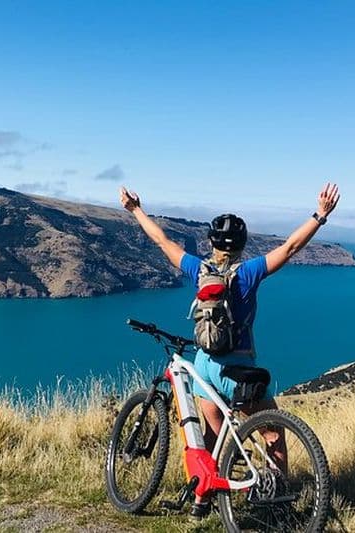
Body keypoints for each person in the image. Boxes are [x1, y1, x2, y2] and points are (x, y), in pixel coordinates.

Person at [119, 183, 340, 518]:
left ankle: (201, 502)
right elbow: (291, 247)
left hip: (205, 366)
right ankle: (277, 501)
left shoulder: (199, 270)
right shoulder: (248, 273)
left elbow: (162, 242)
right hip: (236, 372)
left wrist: (136, 210)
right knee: (273, 433)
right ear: (242, 244)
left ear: (210, 242)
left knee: (210, 436)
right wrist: (320, 216)